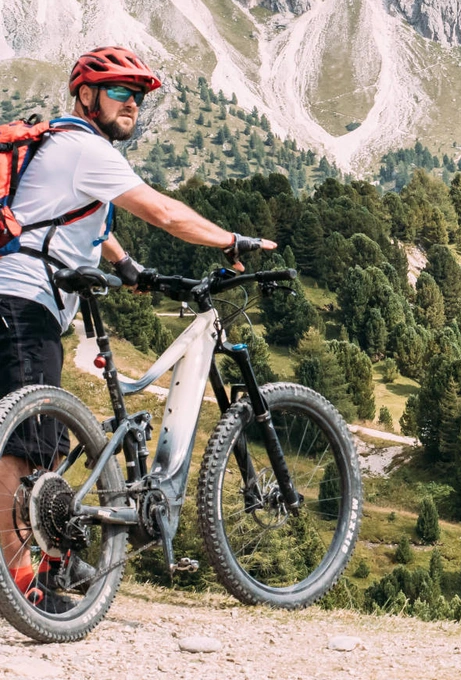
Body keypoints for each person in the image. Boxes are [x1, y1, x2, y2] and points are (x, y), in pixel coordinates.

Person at [0, 45, 276, 609]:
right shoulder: (85, 147)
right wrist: (230, 240)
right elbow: (164, 212)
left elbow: (80, 222)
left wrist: (127, 267)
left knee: (45, 445)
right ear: (86, 95)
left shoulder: (60, 148)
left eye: (139, 96)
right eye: (120, 92)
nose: (133, 105)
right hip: (23, 302)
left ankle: (51, 564)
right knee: (24, 448)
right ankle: (20, 584)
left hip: (18, 298)